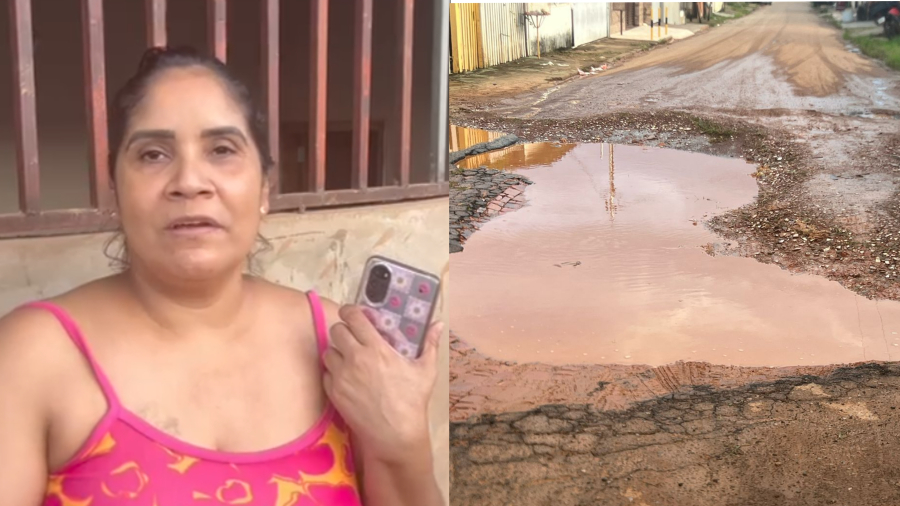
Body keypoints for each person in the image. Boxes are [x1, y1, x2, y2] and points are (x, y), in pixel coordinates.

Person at [0, 47, 444, 506]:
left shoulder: (342, 347)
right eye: (153, 154)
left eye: (222, 150)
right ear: (115, 186)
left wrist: (404, 444)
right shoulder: (32, 356)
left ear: (264, 189)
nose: (189, 181)